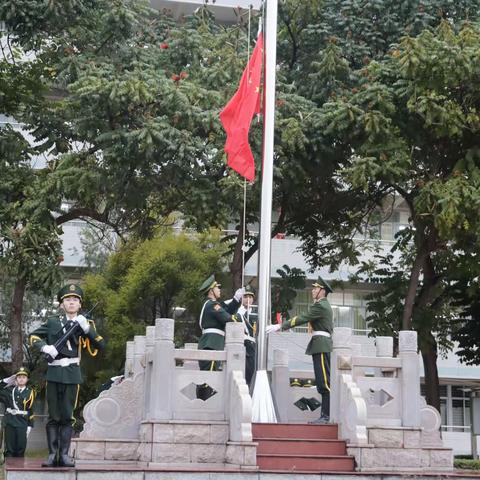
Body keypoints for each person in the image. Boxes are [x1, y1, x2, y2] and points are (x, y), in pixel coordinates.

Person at [29, 284, 105, 467]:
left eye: (75, 300)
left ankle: (64, 455)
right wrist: (45, 347)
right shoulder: (53, 321)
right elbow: (33, 337)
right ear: (62, 304)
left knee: (67, 415)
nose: (71, 302)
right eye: (68, 300)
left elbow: (100, 347)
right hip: (54, 372)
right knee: (53, 415)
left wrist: (87, 329)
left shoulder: (86, 323)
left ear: (80, 304)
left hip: (72, 373)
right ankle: (52, 454)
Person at [267, 276, 333, 424]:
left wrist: (280, 326)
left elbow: (302, 318)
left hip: (322, 345)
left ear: (322, 291)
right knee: (323, 380)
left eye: (316, 288)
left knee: (324, 382)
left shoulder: (321, 306)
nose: (313, 290)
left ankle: (326, 416)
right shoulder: (322, 305)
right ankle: (325, 415)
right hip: (320, 344)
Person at [197, 275, 244, 371]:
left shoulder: (212, 304)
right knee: (208, 380)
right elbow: (227, 318)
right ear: (211, 291)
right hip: (211, 344)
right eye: (217, 287)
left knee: (209, 378)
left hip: (213, 343)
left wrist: (236, 300)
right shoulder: (212, 305)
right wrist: (240, 317)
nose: (219, 289)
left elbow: (226, 310)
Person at [0, 367, 35, 458]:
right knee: (9, 450)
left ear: (27, 379)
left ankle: (19, 470)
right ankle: (9, 470)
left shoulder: (30, 392)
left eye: (24, 377)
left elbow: (30, 410)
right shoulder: (9, 391)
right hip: (10, 422)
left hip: (22, 422)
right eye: (19, 377)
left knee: (20, 448)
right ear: (15, 379)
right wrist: (6, 380)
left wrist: (30, 425)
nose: (21, 379)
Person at [235, 285, 257, 387]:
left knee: (250, 373)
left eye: (250, 297)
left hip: (252, 347)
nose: (248, 299)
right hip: (239, 345)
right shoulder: (237, 313)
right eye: (245, 297)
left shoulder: (257, 313)